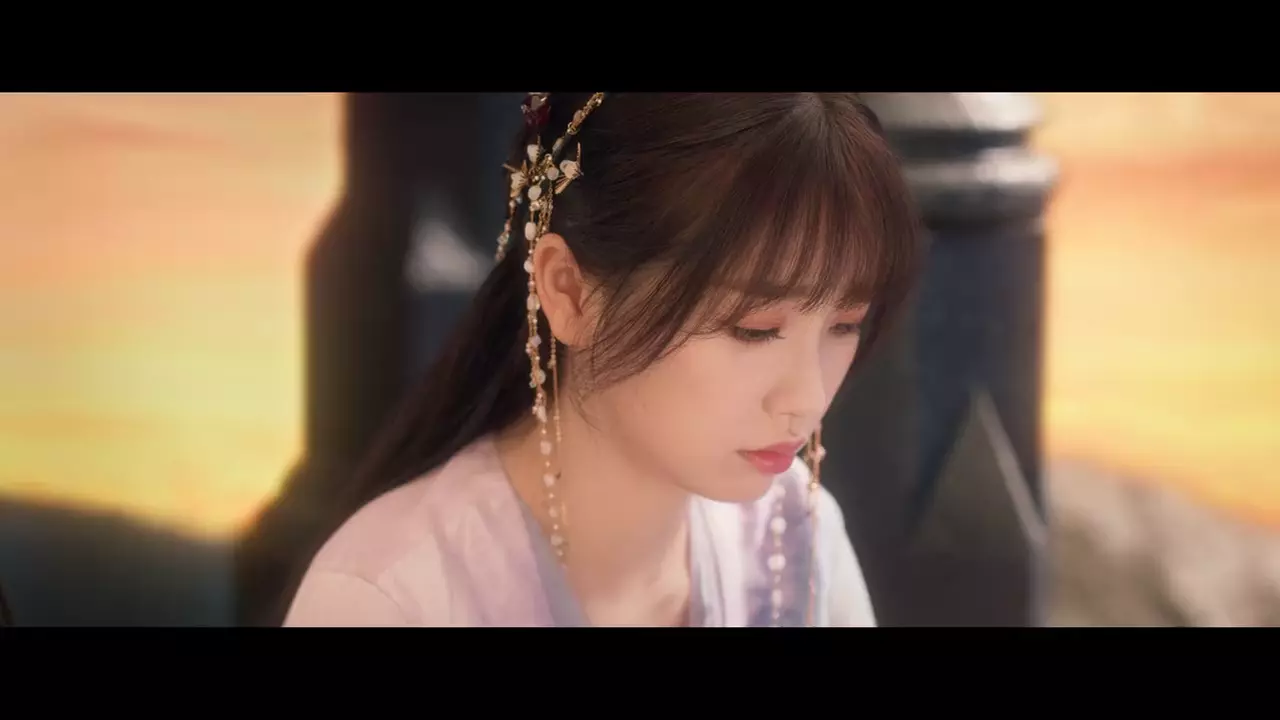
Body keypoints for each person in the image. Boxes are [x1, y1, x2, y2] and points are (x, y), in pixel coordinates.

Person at [283, 92, 923, 627]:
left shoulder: (793, 541)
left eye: (845, 325)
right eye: (754, 329)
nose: (807, 398)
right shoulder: (393, 597)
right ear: (568, 292)